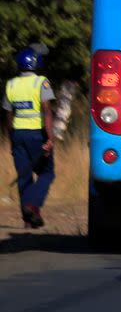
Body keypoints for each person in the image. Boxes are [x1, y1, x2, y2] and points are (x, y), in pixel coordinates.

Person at [2, 46, 56, 228]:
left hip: (18, 135)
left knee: (24, 176)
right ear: (37, 63)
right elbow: (47, 110)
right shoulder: (41, 82)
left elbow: (8, 115)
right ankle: (32, 205)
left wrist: (12, 140)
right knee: (47, 173)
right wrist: (50, 138)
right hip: (36, 135)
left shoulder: (11, 84)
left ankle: (28, 220)